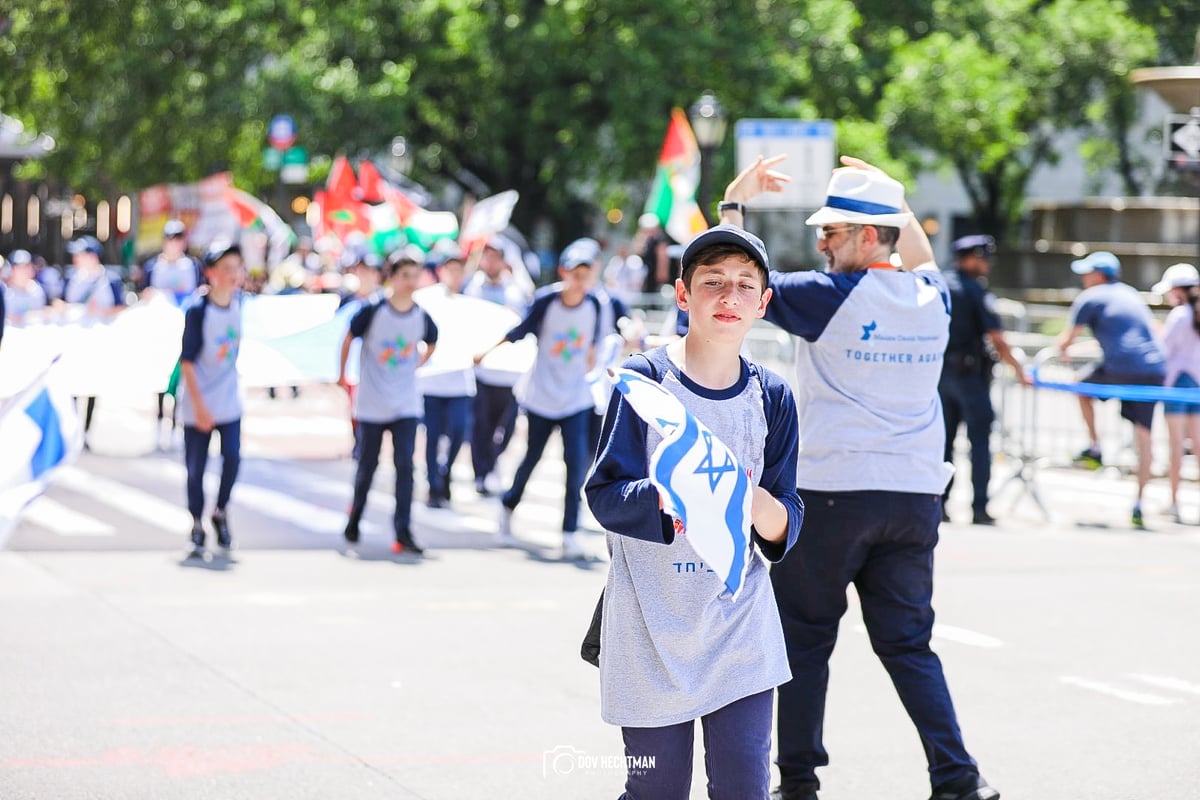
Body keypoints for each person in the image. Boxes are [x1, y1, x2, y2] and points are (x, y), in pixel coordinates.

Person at [721, 156, 999, 800]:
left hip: (833, 493)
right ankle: (958, 776)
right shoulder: (934, 297)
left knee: (805, 642)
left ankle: (798, 784)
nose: (821, 243)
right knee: (908, 646)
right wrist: (894, 197)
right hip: (914, 496)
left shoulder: (828, 297)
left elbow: (736, 279)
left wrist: (735, 202)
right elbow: (920, 255)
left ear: (869, 237)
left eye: (833, 232)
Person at [584, 224, 803, 799]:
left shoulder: (772, 396)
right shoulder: (644, 382)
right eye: (712, 283)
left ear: (763, 301)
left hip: (741, 632)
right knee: (656, 793)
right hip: (650, 631)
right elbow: (604, 493)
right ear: (683, 295)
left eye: (742, 285)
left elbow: (786, 516)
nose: (728, 297)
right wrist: (666, 496)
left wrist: (749, 497)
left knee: (743, 791)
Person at [474, 238, 601, 559]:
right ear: (564, 272)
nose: (580, 279)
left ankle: (569, 532)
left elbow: (596, 342)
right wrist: (487, 351)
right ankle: (507, 507)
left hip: (575, 398)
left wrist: (593, 359)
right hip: (542, 396)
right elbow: (520, 330)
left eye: (586, 272)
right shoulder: (547, 301)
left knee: (575, 465)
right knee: (532, 458)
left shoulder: (596, 304)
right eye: (575, 272)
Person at [338, 254, 438, 555]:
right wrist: (343, 376)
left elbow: (433, 341)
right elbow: (349, 338)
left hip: (405, 403)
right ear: (392, 277)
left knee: (406, 466)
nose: (410, 282)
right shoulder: (373, 309)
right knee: (367, 465)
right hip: (372, 401)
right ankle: (355, 517)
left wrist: (416, 365)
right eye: (405, 275)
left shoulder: (421, 315)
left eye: (415, 275)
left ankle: (403, 529)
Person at [1058, 251, 1165, 529]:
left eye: (1087, 272)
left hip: (1121, 366)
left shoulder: (1091, 297)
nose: (1083, 278)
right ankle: (1140, 504)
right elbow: (1143, 335)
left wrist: (1064, 350)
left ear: (1099, 275)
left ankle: (1095, 446)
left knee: (1080, 387)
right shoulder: (1130, 294)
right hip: (1153, 368)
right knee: (1145, 438)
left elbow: (1065, 341)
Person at [940, 234, 1031, 525]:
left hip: (941, 376)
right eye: (982, 258)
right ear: (967, 258)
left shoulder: (939, 284)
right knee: (979, 444)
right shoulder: (975, 291)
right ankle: (979, 508)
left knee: (944, 444)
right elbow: (997, 338)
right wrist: (1019, 369)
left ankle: (939, 505)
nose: (986, 264)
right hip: (970, 378)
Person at [178, 240, 246, 559]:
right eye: (226, 269)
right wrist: (200, 407)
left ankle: (220, 511)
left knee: (232, 458)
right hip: (198, 402)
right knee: (196, 468)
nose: (233, 276)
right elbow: (187, 362)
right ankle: (196, 523)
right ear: (211, 273)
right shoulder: (198, 310)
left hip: (228, 399)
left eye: (237, 269)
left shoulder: (241, 303)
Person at [463, 235, 530, 496]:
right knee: (480, 425)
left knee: (507, 426)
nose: (490, 261)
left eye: (495, 256)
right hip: (480, 370)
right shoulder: (471, 288)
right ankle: (482, 472)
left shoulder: (516, 292)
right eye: (486, 256)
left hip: (509, 373)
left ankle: (492, 463)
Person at [140, 219, 204, 448]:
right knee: (161, 379)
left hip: (184, 330)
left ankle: (177, 426)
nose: (174, 244)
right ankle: (159, 425)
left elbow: (199, 293)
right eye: (170, 239)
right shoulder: (152, 266)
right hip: (160, 333)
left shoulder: (193, 266)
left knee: (181, 379)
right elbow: (143, 296)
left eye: (178, 239)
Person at [418, 251, 475, 509]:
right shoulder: (427, 300)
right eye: (450, 269)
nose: (455, 275)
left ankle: (445, 471)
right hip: (431, 382)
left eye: (459, 270)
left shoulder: (470, 302)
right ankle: (434, 486)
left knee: (459, 430)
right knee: (432, 435)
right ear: (441, 271)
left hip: (459, 382)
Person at [62, 235, 126, 448]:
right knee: (71, 384)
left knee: (92, 386)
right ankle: (72, 429)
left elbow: (121, 307)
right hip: (76, 338)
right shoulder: (72, 277)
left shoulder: (110, 279)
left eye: (80, 254)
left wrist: (100, 310)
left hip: (98, 340)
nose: (76, 258)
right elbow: (63, 303)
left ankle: (86, 431)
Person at [1152, 263, 1200, 523]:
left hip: (1177, 385)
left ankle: (1174, 502)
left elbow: (1164, 349)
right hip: (1196, 385)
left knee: (1175, 447)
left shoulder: (1180, 315)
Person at [2, 249, 48, 324]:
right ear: (12, 270)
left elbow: (41, 314)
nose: (24, 270)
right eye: (19, 267)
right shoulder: (6, 293)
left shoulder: (36, 289)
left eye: (27, 266)